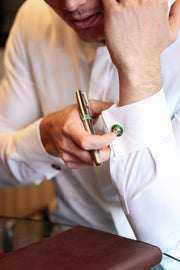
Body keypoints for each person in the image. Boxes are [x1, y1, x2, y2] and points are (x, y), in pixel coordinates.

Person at [0, 0, 180, 252]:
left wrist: (139, 71)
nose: (71, 5)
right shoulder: (33, 18)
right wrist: (46, 138)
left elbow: (164, 236)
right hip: (71, 248)